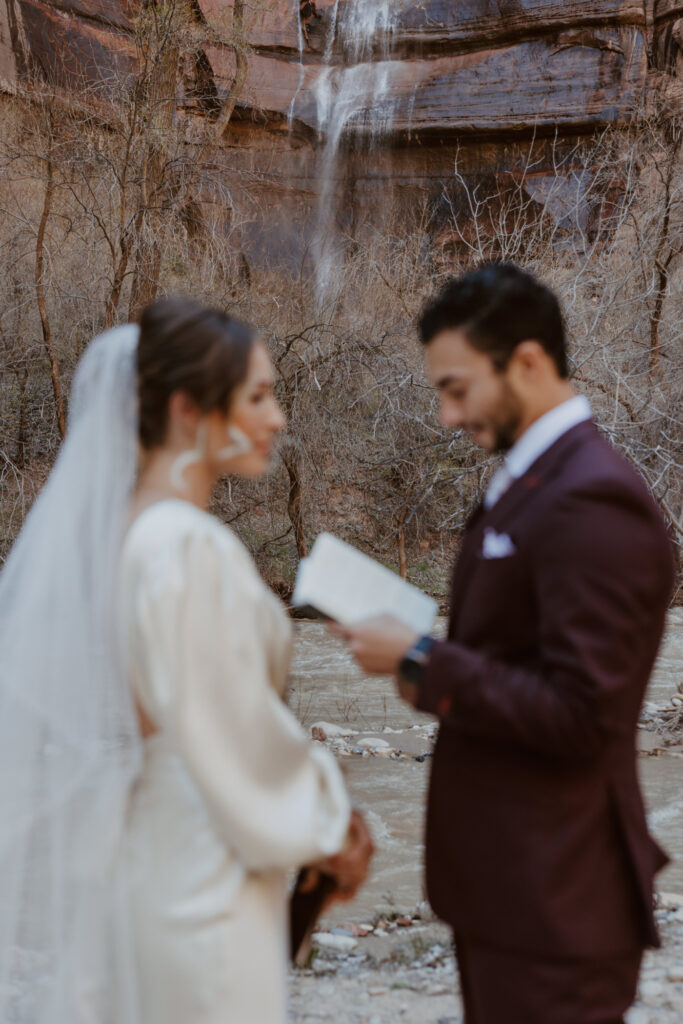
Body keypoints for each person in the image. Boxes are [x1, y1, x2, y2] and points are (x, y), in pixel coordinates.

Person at [0, 297, 372, 1024]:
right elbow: (228, 735)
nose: (278, 419)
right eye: (258, 396)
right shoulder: (184, 546)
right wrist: (331, 828)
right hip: (203, 871)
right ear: (186, 411)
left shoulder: (117, 537)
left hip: (143, 857)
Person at [334, 263, 675, 1024]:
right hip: (511, 890)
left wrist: (421, 658)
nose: (447, 415)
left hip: (556, 899)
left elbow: (582, 712)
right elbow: (514, 663)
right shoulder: (532, 478)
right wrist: (412, 665)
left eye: (456, 389)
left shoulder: (592, 495)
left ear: (525, 361)